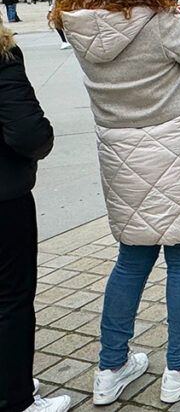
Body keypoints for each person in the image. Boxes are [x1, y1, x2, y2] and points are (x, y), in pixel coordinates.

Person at [52, 0, 180, 405]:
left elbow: (123, 28)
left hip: (121, 157)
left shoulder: (77, 21)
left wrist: (157, 3)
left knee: (131, 260)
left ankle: (111, 369)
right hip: (178, 153)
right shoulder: (159, 22)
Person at [0, 25, 72, 412]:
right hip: (4, 198)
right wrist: (43, 140)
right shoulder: (2, 55)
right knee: (11, 298)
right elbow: (29, 134)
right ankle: (16, 399)